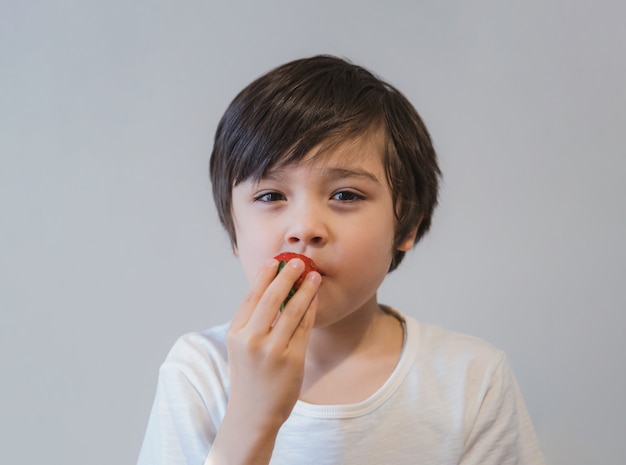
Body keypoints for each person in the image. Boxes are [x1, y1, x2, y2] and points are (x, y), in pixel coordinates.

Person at [137, 55, 545, 465]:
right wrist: (251, 418)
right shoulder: (198, 373)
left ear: (406, 226)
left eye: (345, 195)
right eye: (271, 196)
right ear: (233, 230)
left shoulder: (471, 380)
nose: (305, 228)